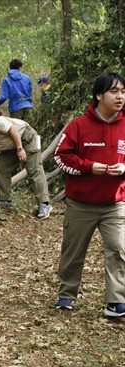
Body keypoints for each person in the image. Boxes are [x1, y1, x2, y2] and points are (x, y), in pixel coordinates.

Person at [53, 72, 125, 316]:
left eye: (123, 92)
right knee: (73, 250)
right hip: (80, 203)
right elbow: (61, 157)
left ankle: (116, 301)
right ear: (98, 95)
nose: (120, 96)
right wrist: (89, 167)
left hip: (115, 202)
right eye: (114, 92)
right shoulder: (78, 125)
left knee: (118, 248)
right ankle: (66, 294)